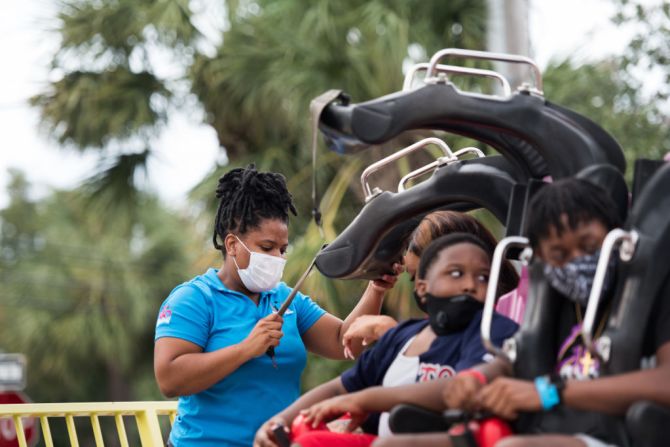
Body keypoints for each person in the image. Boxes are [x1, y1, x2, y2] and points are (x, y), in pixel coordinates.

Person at [299, 178, 670, 447]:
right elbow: (507, 362)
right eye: (559, 255)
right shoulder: (560, 301)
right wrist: (476, 381)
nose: (575, 263)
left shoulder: (650, 296)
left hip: (619, 433)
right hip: (551, 427)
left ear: (617, 238)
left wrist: (549, 393)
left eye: (587, 246)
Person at [153, 165, 398, 447]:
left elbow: (344, 340)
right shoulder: (194, 299)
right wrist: (247, 348)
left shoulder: (283, 297)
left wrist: (376, 288)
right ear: (233, 245)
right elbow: (169, 379)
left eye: (283, 249)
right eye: (267, 247)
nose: (277, 258)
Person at [254, 233, 519, 447]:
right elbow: (339, 389)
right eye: (456, 273)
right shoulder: (402, 337)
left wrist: (365, 400)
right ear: (422, 287)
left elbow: (460, 389)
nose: (471, 285)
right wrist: (279, 421)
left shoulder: (490, 332)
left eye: (483, 277)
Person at [342, 210, 520, 356]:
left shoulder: (504, 320)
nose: (421, 288)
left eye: (424, 275)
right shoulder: (443, 318)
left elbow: (451, 365)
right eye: (415, 279)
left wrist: (392, 333)